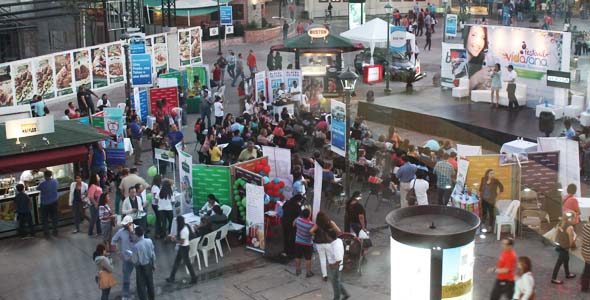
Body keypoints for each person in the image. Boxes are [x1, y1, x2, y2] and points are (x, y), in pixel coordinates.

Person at [310, 211, 342, 282]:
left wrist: (315, 235)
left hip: (319, 244)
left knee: (322, 259)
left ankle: (324, 276)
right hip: (329, 243)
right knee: (331, 258)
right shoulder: (331, 223)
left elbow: (311, 231)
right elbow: (339, 231)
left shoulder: (317, 224)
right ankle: (334, 274)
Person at [166, 215, 198, 284]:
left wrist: (175, 240)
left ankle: (194, 277)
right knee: (178, 262)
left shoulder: (183, 231)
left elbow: (182, 241)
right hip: (183, 247)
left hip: (184, 247)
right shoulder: (185, 226)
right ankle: (172, 277)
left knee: (187, 263)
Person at [112, 216, 137, 299]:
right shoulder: (121, 231)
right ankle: (125, 295)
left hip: (137, 257)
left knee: (141, 277)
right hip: (127, 258)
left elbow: (139, 240)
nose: (124, 226)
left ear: (130, 224)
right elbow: (113, 240)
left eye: (126, 224)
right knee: (126, 278)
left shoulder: (138, 229)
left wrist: (132, 232)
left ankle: (141, 292)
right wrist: (118, 251)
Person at [551, 213, 577, 284]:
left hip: (559, 245)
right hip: (564, 247)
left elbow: (556, 233)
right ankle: (554, 278)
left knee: (566, 259)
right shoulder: (570, 228)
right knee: (559, 262)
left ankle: (567, 274)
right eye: (575, 218)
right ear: (570, 219)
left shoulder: (560, 223)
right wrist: (575, 241)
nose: (576, 220)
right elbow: (571, 242)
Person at [132, 226, 156, 300]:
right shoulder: (149, 241)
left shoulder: (136, 246)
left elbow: (135, 260)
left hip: (140, 267)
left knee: (141, 286)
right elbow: (152, 254)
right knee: (150, 283)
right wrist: (154, 264)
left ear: (136, 235)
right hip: (149, 264)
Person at [326, 229, 349, 300]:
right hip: (335, 265)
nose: (326, 237)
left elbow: (338, 259)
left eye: (327, 236)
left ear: (330, 237)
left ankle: (336, 298)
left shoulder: (335, 246)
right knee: (336, 281)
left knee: (335, 283)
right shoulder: (338, 240)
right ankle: (345, 294)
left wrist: (334, 265)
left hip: (335, 267)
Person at [465, 25, 489, 90]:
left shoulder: (483, 59)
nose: (478, 43)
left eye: (483, 38)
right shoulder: (459, 56)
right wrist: (475, 78)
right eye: (473, 35)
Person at [37, 170, 59, 237]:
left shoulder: (42, 183)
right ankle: (55, 231)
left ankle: (46, 232)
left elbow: (38, 188)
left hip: (45, 203)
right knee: (54, 216)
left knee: (45, 218)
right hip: (54, 201)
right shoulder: (55, 181)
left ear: (45, 176)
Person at [294, 208, 315, 277]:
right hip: (307, 243)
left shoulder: (298, 220)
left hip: (298, 241)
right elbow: (313, 233)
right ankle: (308, 272)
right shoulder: (311, 224)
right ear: (309, 215)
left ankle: (297, 270)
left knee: (297, 256)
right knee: (308, 258)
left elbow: (293, 224)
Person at [582, 216, 590, 292]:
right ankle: (585, 287)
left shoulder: (585, 226)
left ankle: (584, 284)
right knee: (587, 270)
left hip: (584, 250)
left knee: (587, 268)